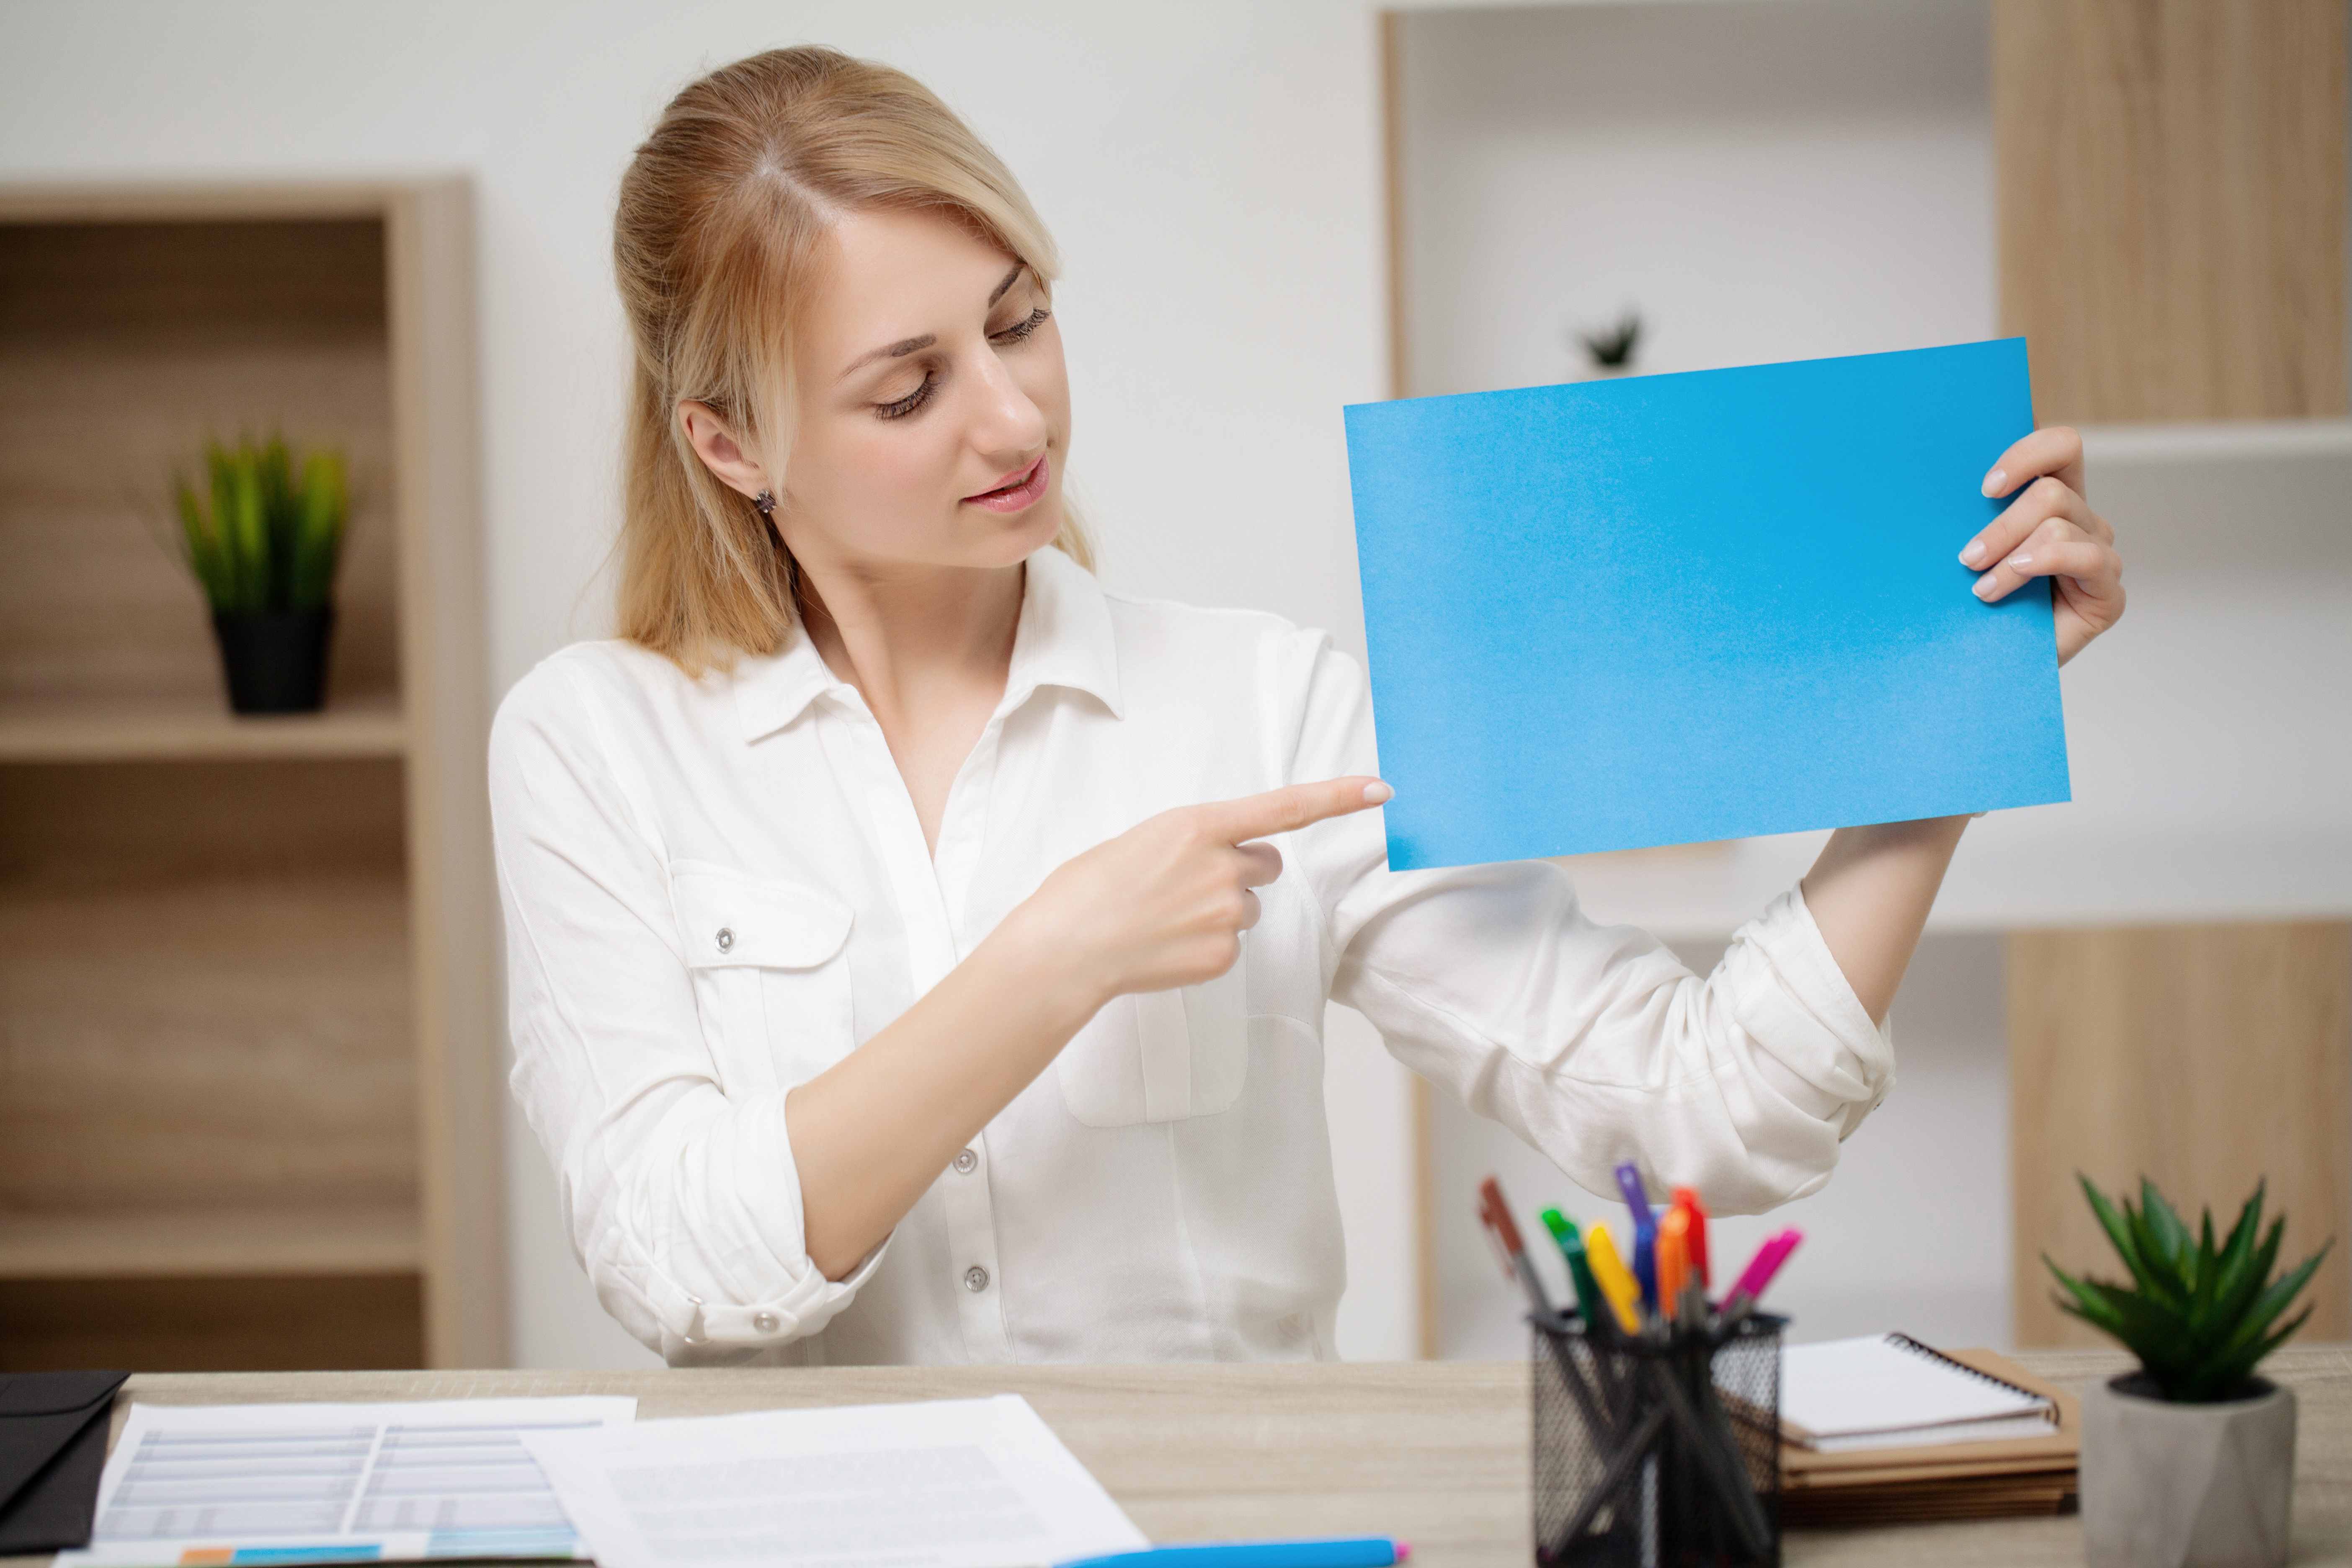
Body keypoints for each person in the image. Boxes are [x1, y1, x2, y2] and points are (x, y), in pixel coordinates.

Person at [489, 46, 2125, 1366]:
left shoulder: (1265, 707)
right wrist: (1055, 960)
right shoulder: (595, 744)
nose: (1015, 419)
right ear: (731, 445)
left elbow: (1708, 1113)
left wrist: (1951, 714)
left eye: (1020, 320)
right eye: (909, 389)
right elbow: (673, 1265)